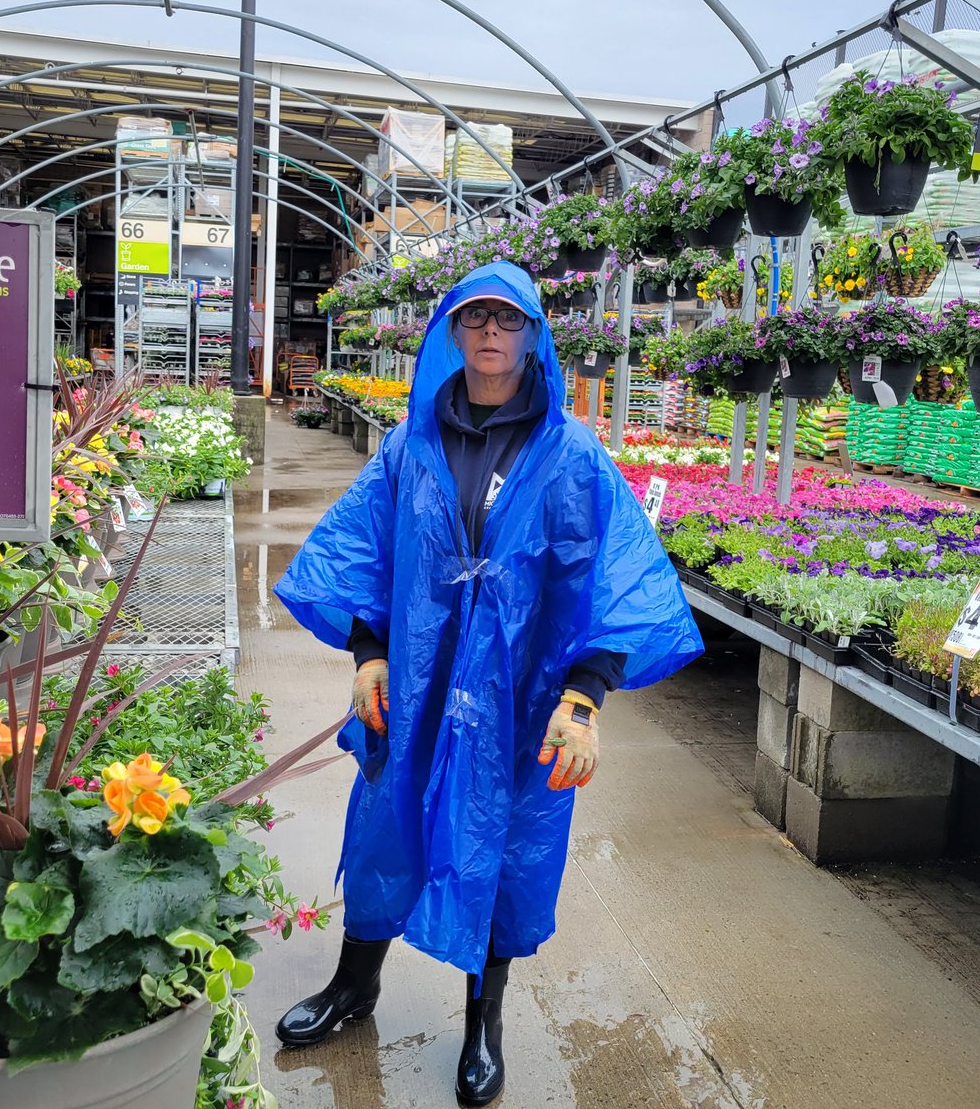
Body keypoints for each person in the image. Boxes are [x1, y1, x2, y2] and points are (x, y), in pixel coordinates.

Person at [273, 260, 702, 1105]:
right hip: (418, 686)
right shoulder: (412, 442)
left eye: (508, 321)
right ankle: (354, 987)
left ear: (533, 334)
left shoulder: (571, 452)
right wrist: (368, 652)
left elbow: (612, 575)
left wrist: (583, 699)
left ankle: (483, 1022)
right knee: (385, 829)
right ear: (452, 334)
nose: (492, 336)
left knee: (504, 848)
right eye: (476, 320)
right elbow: (363, 547)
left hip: (522, 697)